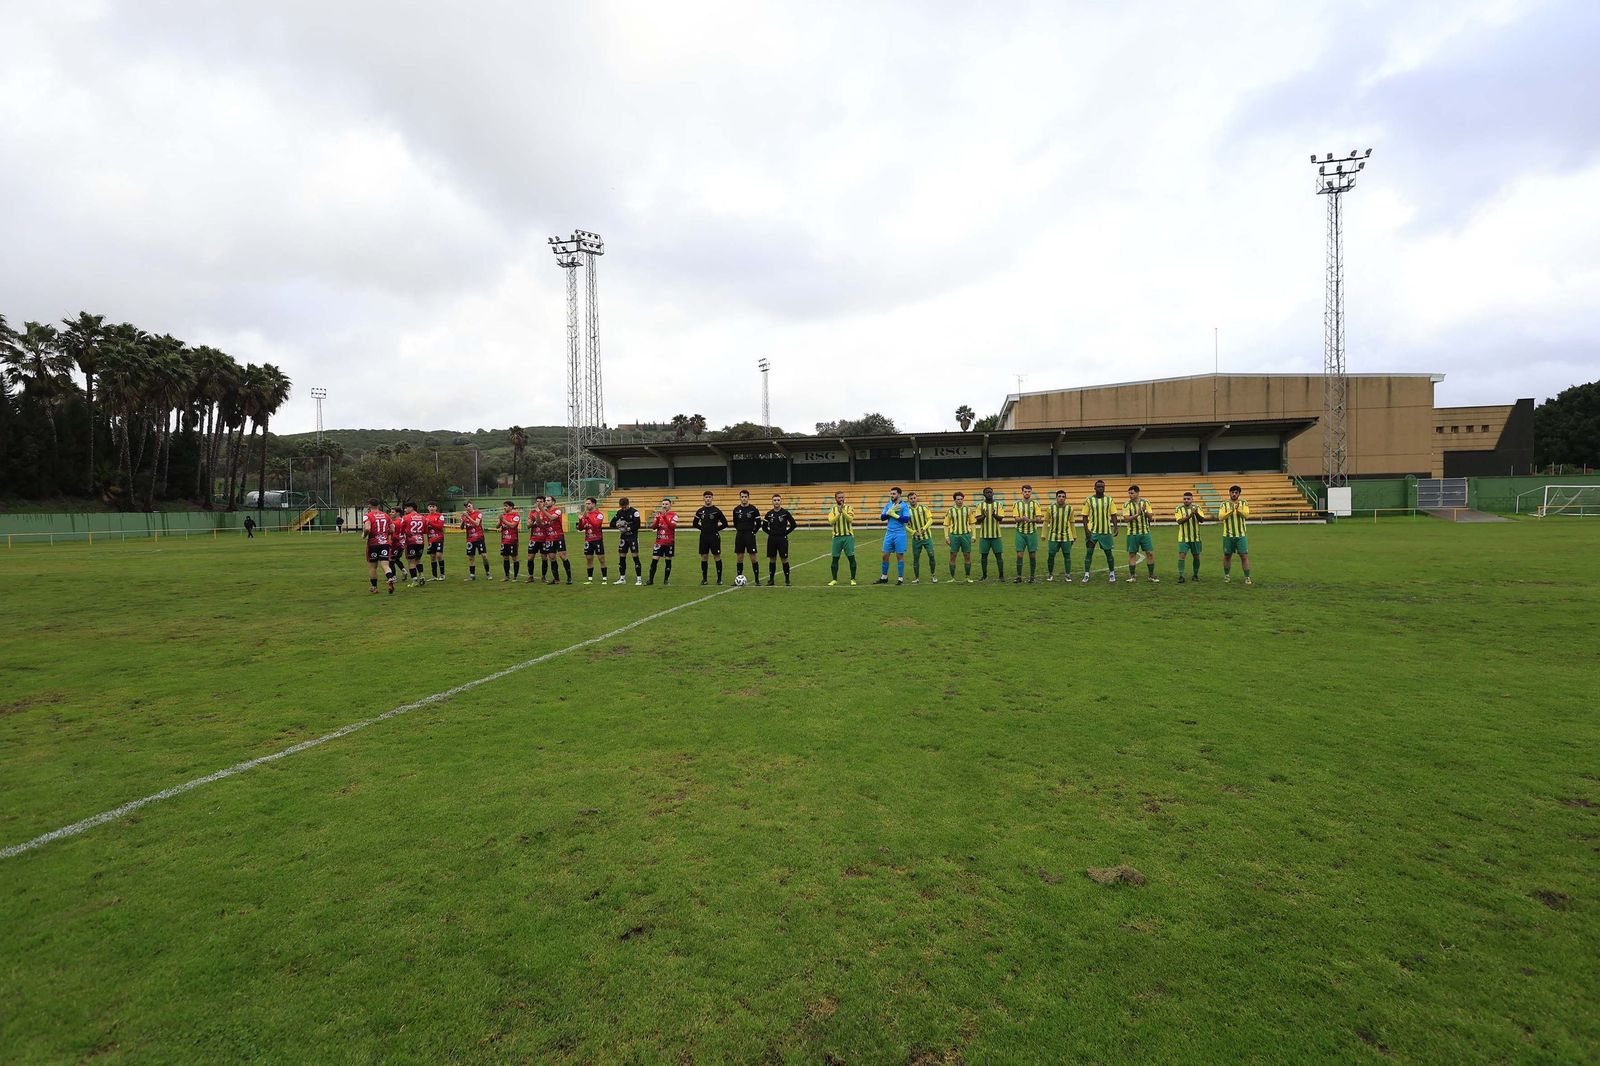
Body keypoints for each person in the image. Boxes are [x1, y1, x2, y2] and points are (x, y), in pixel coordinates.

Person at [1081, 479, 1117, 584]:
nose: (1100, 488)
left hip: (1106, 531)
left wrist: (1115, 527)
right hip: (1093, 531)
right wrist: (1086, 531)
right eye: (1098, 487)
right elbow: (1084, 516)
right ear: (1095, 488)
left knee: (1108, 553)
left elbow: (1113, 514)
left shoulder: (1109, 500)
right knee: (1089, 552)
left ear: (1104, 488)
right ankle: (1086, 574)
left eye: (1102, 487)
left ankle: (1112, 573)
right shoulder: (1089, 500)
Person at [1120, 484, 1158, 583]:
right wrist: (1137, 514)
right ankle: (1132, 576)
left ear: (1137, 493)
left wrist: (1144, 511)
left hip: (1145, 533)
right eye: (1129, 493)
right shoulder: (1126, 505)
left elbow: (1150, 517)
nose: (1130, 495)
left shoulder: (1146, 502)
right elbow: (1126, 519)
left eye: (1132, 493)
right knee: (1132, 554)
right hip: (1132, 533)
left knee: (1150, 553)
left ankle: (1151, 576)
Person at [692, 491, 729, 585]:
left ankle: (719, 579)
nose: (708, 499)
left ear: (712, 498)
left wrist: (715, 529)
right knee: (704, 557)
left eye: (709, 497)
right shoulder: (700, 511)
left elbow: (725, 524)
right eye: (706, 497)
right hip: (704, 536)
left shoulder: (716, 510)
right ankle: (704, 579)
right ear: (703, 498)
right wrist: (703, 529)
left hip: (714, 537)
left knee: (717, 556)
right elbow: (695, 524)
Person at [1219, 484, 1252, 585]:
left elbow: (1246, 515)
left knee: (1244, 556)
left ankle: (1247, 577)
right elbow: (1221, 517)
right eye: (1232, 492)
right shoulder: (1224, 504)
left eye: (1236, 493)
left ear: (1239, 494)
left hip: (1241, 535)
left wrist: (1238, 510)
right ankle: (1227, 576)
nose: (1234, 494)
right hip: (1228, 535)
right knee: (1227, 555)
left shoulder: (1244, 503)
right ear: (1229, 493)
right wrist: (1232, 510)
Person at [877, 486, 911, 585]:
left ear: (899, 494)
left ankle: (900, 578)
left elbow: (906, 519)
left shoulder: (904, 506)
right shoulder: (888, 505)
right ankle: (884, 577)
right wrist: (890, 512)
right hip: (889, 533)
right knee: (885, 555)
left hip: (900, 533)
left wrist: (894, 514)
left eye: (894, 494)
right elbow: (882, 517)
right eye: (891, 494)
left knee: (899, 555)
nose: (892, 495)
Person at [360, 498, 395, 594]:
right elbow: (392, 529)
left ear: (369, 505)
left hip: (373, 543)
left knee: (373, 567)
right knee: (385, 565)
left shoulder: (368, 516)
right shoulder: (386, 515)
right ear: (378, 505)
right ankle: (390, 578)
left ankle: (374, 587)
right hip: (384, 543)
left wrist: (364, 535)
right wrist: (385, 534)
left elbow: (367, 528)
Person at [1174, 490, 1209, 584]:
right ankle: (1181, 576)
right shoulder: (1179, 509)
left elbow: (1202, 520)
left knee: (1196, 556)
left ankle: (1195, 575)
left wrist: (1196, 513)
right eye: (1185, 499)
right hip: (1183, 537)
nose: (1186, 500)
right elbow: (1179, 521)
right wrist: (1190, 515)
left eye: (1188, 499)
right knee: (1182, 556)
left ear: (1192, 499)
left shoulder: (1198, 508)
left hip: (1195, 538)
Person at [730, 489, 763, 585]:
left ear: (748, 497)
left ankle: (757, 580)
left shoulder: (753, 509)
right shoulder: (736, 509)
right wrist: (740, 530)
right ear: (740, 498)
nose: (744, 498)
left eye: (745, 497)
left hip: (750, 535)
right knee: (739, 557)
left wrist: (753, 532)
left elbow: (758, 523)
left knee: (753, 557)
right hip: (740, 535)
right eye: (742, 497)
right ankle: (738, 578)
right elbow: (735, 523)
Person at [762, 492, 797, 586]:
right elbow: (764, 527)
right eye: (775, 500)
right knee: (772, 559)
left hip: (782, 539)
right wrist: (771, 533)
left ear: (781, 501)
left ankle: (787, 580)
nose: (776, 502)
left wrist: (785, 533)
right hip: (772, 539)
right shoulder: (769, 514)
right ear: (772, 502)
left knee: (784, 558)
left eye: (778, 500)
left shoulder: (785, 513)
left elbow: (793, 524)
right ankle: (771, 580)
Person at [973, 486, 1005, 581]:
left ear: (993, 493)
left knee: (999, 556)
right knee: (984, 556)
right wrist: (984, 515)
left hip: (996, 535)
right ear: (984, 494)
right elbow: (977, 520)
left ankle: (1001, 575)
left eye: (990, 492)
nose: (989, 494)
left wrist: (994, 514)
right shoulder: (980, 505)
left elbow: (1001, 519)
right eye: (987, 492)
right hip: (984, 536)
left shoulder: (998, 504)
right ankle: (984, 575)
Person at [1011, 483, 1041, 583]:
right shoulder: (1017, 504)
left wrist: (1030, 520)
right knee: (1019, 554)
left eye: (1029, 491)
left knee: (1032, 555)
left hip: (1032, 532)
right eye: (1025, 491)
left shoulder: (1035, 504)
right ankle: (1019, 576)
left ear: (1031, 492)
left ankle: (1032, 577)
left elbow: (1039, 519)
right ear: (1022, 492)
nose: (1027, 493)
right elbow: (1016, 519)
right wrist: (1022, 519)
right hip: (1020, 532)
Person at [826, 491, 858, 586]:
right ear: (835, 499)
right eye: (839, 498)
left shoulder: (849, 508)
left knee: (851, 558)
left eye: (842, 497)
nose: (841, 499)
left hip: (848, 537)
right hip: (837, 537)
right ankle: (834, 579)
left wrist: (842, 511)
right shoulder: (832, 510)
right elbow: (831, 522)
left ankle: (853, 579)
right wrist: (838, 514)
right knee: (835, 559)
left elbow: (850, 519)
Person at [610, 496, 644, 585]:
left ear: (628, 504)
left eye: (625, 507)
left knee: (635, 557)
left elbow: (638, 525)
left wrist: (628, 528)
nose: (624, 509)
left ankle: (639, 579)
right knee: (622, 557)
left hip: (633, 537)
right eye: (622, 507)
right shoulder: (619, 512)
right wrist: (618, 525)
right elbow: (611, 523)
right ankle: (622, 579)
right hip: (623, 538)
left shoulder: (635, 512)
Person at [906, 490, 937, 584]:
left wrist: (924, 528)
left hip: (927, 538)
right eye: (911, 498)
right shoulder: (906, 511)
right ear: (908, 500)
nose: (913, 500)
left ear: (917, 498)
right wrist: (912, 532)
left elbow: (930, 520)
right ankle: (917, 578)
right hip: (916, 539)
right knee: (916, 558)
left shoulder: (924, 508)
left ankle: (933, 575)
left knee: (931, 555)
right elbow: (904, 525)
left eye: (914, 498)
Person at [1044, 489, 1075, 581]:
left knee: (1067, 555)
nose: (1061, 498)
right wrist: (1043, 534)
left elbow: (1072, 522)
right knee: (1051, 555)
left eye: (1063, 497)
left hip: (1066, 536)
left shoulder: (1070, 509)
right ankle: (1050, 574)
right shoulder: (1050, 508)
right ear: (1056, 498)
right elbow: (1046, 521)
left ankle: (1067, 575)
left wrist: (1074, 535)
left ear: (1065, 498)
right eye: (1059, 496)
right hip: (1053, 536)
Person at [944, 490, 975, 583]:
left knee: (967, 556)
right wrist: (947, 537)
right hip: (954, 536)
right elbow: (946, 524)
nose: (960, 501)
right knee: (953, 556)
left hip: (966, 535)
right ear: (954, 500)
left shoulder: (968, 510)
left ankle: (967, 577)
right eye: (958, 499)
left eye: (961, 499)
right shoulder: (950, 511)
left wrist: (974, 536)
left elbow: (972, 523)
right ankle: (952, 577)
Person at [646, 497, 678, 585]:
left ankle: (666, 580)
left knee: (668, 561)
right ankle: (650, 580)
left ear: (670, 505)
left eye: (666, 504)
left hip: (669, 542)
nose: (664, 506)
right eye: (663, 504)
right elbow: (653, 527)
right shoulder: (658, 515)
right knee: (654, 561)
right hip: (659, 542)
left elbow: (672, 526)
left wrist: (664, 517)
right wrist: (657, 519)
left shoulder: (674, 515)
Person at [577, 497, 608, 583]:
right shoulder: (585, 514)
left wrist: (587, 518)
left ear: (594, 504)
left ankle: (604, 578)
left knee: (601, 559)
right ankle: (590, 579)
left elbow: (596, 524)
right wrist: (580, 520)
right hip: (588, 540)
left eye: (588, 503)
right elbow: (580, 528)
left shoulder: (599, 514)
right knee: (589, 559)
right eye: (586, 504)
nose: (586, 505)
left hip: (597, 539)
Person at [460, 500, 492, 581]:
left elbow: (477, 523)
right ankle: (472, 575)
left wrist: (468, 517)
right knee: (471, 557)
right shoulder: (464, 516)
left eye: (469, 506)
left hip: (479, 538)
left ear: (472, 505)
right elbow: (462, 528)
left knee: (484, 556)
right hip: (470, 539)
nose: (468, 508)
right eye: (466, 507)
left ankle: (488, 573)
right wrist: (463, 521)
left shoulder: (478, 513)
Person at [545, 496, 573, 584]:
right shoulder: (543, 512)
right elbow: (539, 523)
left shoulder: (557, 510)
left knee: (562, 556)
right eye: (545, 500)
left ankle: (569, 577)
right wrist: (538, 513)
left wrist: (542, 510)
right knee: (552, 557)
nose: (546, 502)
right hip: (549, 538)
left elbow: (552, 518)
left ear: (553, 502)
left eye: (548, 500)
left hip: (558, 537)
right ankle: (556, 579)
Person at [402, 502, 428, 586]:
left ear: (411, 508)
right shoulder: (423, 517)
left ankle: (414, 581)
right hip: (420, 541)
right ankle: (422, 576)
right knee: (418, 560)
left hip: (410, 542)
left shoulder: (405, 517)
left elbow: (402, 530)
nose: (405, 510)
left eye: (406, 508)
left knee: (411, 561)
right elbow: (425, 530)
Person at [497, 500, 521, 581]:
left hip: (513, 540)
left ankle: (515, 576)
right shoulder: (503, 515)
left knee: (514, 558)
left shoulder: (516, 515)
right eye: (504, 506)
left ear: (511, 507)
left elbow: (513, 525)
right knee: (505, 558)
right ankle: (506, 576)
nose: (504, 507)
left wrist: (503, 520)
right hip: (504, 540)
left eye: (506, 506)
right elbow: (497, 526)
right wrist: (500, 520)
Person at [425, 503, 446, 581]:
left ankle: (442, 575)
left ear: (436, 507)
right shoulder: (426, 517)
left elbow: (440, 527)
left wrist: (430, 523)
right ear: (428, 508)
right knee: (432, 557)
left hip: (438, 538)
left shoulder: (440, 516)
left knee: (439, 555)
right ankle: (434, 576)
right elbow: (425, 529)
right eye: (430, 506)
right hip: (430, 539)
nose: (431, 508)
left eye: (433, 506)